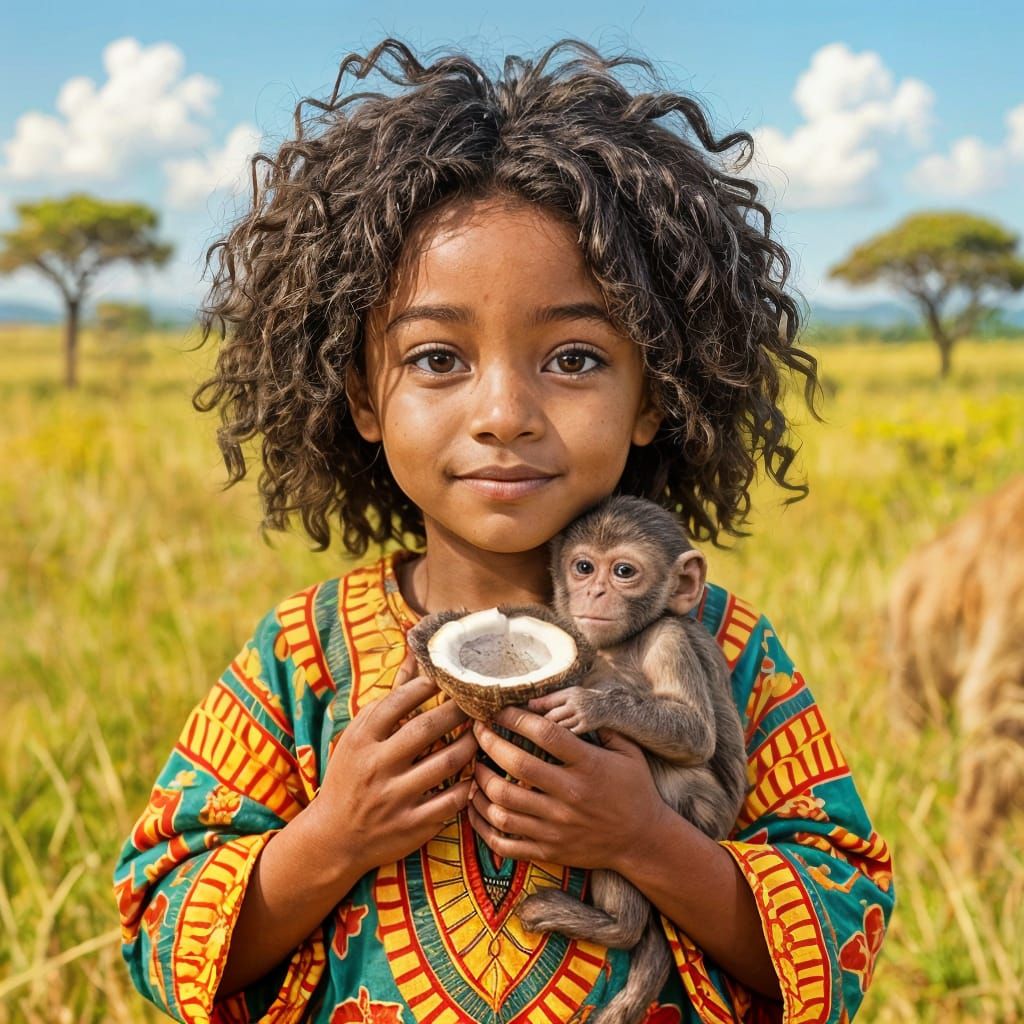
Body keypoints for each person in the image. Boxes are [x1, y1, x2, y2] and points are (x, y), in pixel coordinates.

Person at [113, 37, 894, 1024]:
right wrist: (334, 836)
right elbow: (157, 920)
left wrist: (646, 838)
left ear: (655, 394)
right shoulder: (303, 656)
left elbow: (845, 919)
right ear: (363, 397)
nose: (504, 413)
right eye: (438, 359)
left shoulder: (724, 648)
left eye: (573, 358)